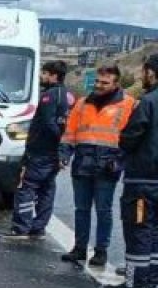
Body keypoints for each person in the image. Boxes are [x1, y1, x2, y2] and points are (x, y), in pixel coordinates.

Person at [59, 65, 138, 267]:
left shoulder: (129, 104)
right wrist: (64, 154)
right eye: (97, 81)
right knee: (81, 209)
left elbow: (133, 136)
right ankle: (79, 248)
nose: (99, 86)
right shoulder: (82, 103)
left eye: (105, 83)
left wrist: (120, 160)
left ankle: (101, 250)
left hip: (108, 165)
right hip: (83, 163)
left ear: (116, 84)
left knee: (103, 210)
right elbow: (70, 131)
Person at [2, 61, 73, 241]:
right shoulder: (67, 95)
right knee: (47, 189)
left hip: (40, 152)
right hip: (53, 154)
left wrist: (55, 142)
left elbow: (49, 124)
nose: (42, 77)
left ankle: (21, 227)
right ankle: (39, 227)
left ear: (54, 75)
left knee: (26, 187)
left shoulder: (49, 96)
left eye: (45, 73)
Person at [109, 54, 158, 288]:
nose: (142, 75)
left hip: (144, 180)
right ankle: (151, 281)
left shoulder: (148, 102)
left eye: (144, 71)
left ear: (151, 72)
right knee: (155, 232)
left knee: (139, 229)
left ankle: (135, 283)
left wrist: (122, 150)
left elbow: (131, 136)